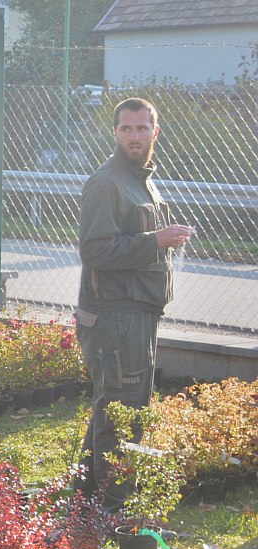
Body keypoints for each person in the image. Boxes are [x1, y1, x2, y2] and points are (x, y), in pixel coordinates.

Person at [75, 98, 194, 506]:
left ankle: (86, 494)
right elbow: (95, 251)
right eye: (126, 129)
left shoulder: (141, 179)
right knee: (122, 412)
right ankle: (110, 508)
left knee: (116, 404)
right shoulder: (107, 182)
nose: (134, 136)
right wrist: (155, 241)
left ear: (155, 132)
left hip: (136, 314)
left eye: (142, 129)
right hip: (114, 317)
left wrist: (159, 243)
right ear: (115, 133)